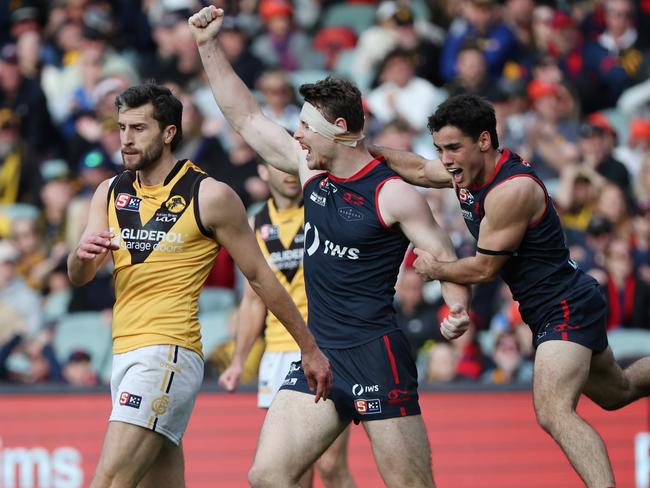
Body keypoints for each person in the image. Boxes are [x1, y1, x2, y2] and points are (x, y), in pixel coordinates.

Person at [189, 7, 471, 488]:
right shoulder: (310, 170)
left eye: (304, 126)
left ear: (339, 128)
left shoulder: (391, 193)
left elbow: (442, 255)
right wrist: (207, 45)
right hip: (321, 354)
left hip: (376, 354)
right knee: (267, 475)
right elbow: (245, 116)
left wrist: (456, 309)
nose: (295, 134)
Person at [371, 93, 650, 487]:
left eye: (453, 148)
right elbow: (417, 168)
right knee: (617, 392)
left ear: (484, 141)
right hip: (551, 305)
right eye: (440, 149)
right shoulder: (466, 171)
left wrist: (436, 269)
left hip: (564, 305)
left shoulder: (511, 190)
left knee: (553, 411)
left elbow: (485, 268)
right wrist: (365, 150)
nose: (445, 159)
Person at [66, 82, 331, 488]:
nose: (126, 139)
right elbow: (79, 277)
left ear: (169, 133)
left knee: (109, 481)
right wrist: (79, 257)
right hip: (126, 351)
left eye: (138, 128)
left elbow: (260, 278)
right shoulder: (110, 191)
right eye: (121, 128)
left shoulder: (209, 195)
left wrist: (308, 348)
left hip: (167, 352)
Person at [218, 162, 355, 488]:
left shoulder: (323, 211)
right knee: (290, 471)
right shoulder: (255, 224)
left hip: (325, 346)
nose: (288, 174)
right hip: (278, 354)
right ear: (263, 172)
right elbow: (253, 301)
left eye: (292, 165)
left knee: (332, 464)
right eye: (278, 166)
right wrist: (239, 361)